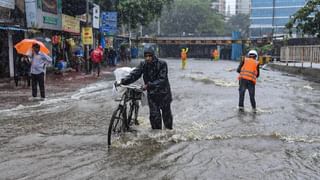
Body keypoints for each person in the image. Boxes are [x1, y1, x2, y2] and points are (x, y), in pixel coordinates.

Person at [117, 47, 173, 130]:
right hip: (152, 95)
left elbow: (162, 79)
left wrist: (148, 85)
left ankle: (168, 134)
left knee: (167, 117)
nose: (148, 58)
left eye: (150, 56)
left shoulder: (162, 64)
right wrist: (122, 81)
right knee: (154, 116)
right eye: (146, 56)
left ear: (153, 56)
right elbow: (135, 74)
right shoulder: (143, 64)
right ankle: (157, 137)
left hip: (164, 94)